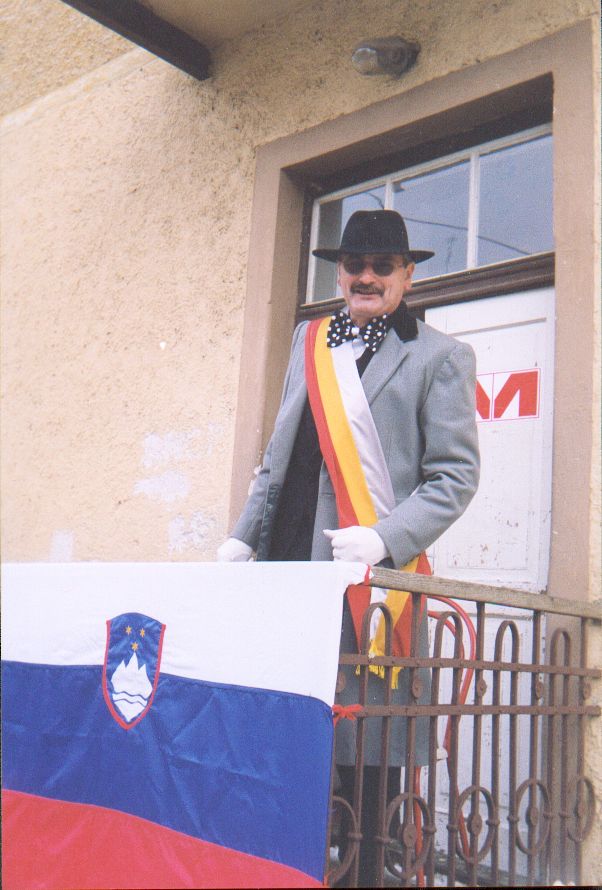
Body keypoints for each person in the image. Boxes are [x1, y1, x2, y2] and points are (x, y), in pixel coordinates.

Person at [218, 210, 480, 884]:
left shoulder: (440, 357)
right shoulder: (309, 340)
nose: (366, 277)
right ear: (339, 274)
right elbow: (278, 455)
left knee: (365, 768)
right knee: (284, 752)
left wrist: (385, 538)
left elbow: (454, 477)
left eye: (381, 266)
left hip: (366, 590)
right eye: (354, 265)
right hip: (284, 577)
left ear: (407, 276)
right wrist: (244, 537)